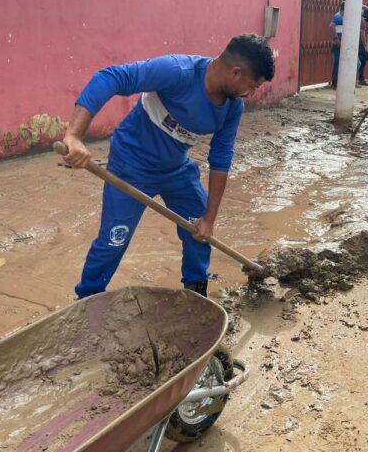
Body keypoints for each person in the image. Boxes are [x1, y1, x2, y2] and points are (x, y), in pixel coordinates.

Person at [62, 34, 275, 299]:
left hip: (177, 171)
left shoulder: (233, 107)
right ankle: (87, 301)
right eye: (252, 86)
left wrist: (209, 218)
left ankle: (197, 297)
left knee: (199, 234)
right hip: (131, 167)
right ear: (236, 72)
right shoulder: (177, 71)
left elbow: (221, 157)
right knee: (112, 242)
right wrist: (74, 135)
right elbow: (112, 77)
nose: (250, 94)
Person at [358, 6, 368, 86]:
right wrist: (365, 45)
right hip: (361, 45)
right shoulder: (363, 22)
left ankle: (361, 78)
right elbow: (362, 34)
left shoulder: (364, 22)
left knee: (363, 62)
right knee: (362, 61)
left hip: (362, 44)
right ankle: (360, 78)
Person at [330, 2, 344, 88]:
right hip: (338, 43)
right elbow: (331, 26)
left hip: (341, 42)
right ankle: (335, 82)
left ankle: (337, 82)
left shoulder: (342, 16)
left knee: (339, 63)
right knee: (337, 63)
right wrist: (336, 39)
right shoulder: (338, 16)